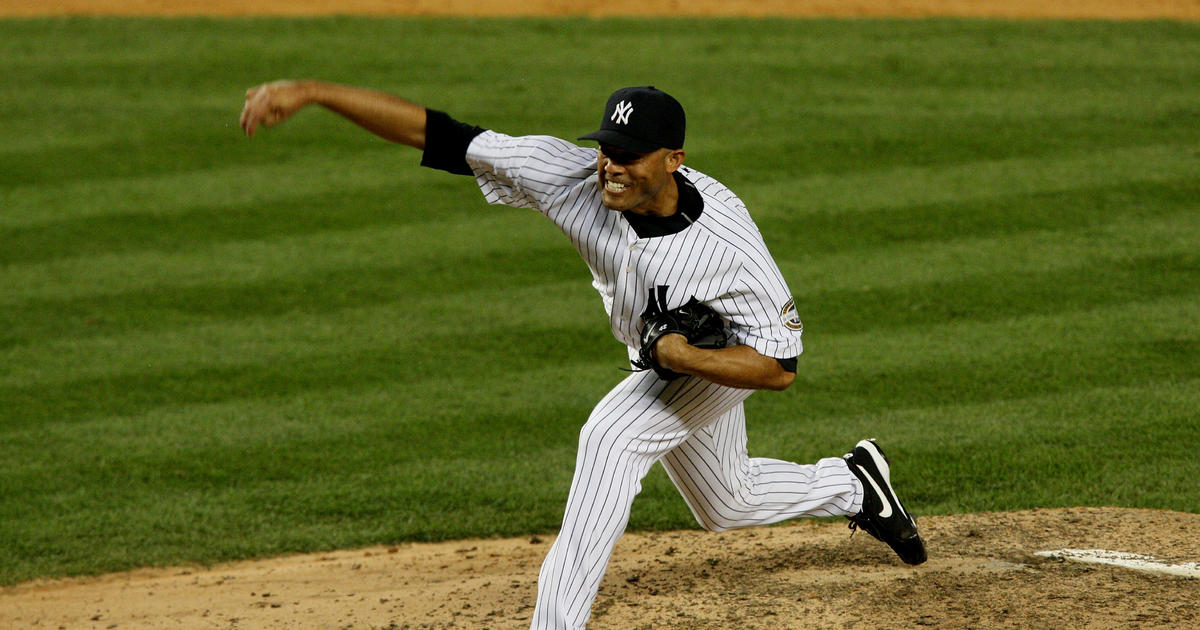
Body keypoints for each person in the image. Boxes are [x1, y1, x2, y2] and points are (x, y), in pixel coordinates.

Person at [240, 81, 927, 629]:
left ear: (673, 162)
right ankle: (856, 483)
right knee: (726, 501)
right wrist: (314, 93)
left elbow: (780, 368)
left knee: (611, 437)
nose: (609, 165)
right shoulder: (571, 178)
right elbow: (443, 135)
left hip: (723, 358)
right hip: (669, 357)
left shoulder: (730, 249)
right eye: (606, 146)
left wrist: (684, 358)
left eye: (628, 154)